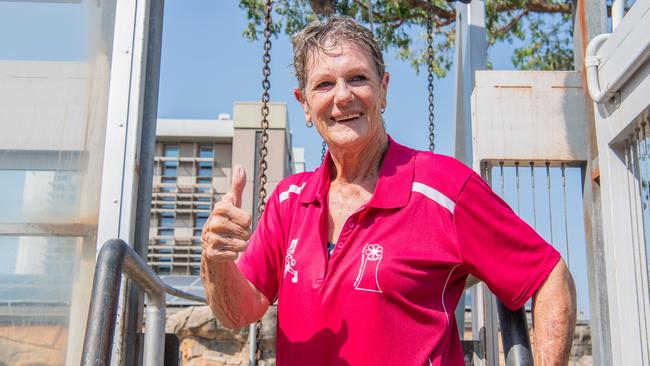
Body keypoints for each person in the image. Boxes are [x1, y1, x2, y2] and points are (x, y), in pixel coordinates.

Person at [200, 16, 576, 366]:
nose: (342, 96)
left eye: (358, 78)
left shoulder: (443, 187)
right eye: (324, 84)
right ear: (304, 104)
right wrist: (215, 260)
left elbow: (548, 276)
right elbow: (238, 312)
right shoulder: (288, 200)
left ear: (383, 89)